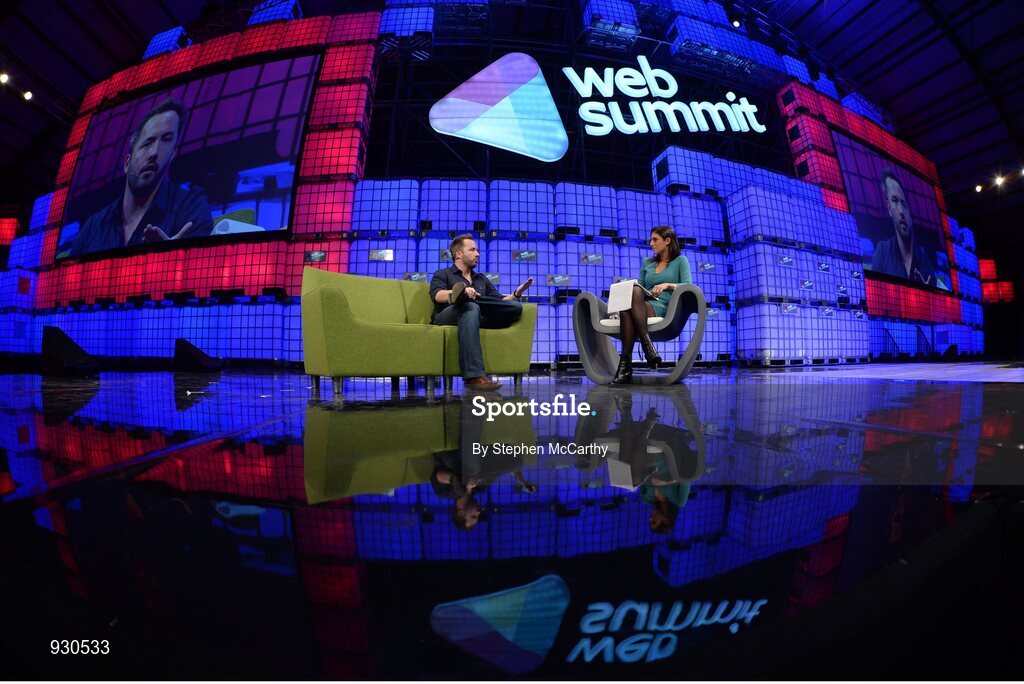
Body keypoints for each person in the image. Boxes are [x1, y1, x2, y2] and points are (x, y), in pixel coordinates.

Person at [69, 98, 213, 257]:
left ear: (172, 154)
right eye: (147, 143)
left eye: (166, 140)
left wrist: (171, 259)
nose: (154, 153)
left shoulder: (191, 206)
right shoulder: (93, 227)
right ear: (127, 163)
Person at [429, 234, 533, 391]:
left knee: (515, 308)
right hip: (446, 315)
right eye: (472, 250)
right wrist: (456, 294)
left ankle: (467, 298)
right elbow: (437, 295)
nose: (477, 254)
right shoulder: (443, 274)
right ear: (458, 254)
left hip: (476, 315)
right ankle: (474, 376)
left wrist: (516, 294)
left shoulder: (481, 279)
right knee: (470, 306)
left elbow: (499, 302)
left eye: (477, 250)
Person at [612, 226, 692, 384]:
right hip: (644, 304)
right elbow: (639, 288)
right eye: (651, 240)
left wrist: (668, 285)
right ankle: (647, 348)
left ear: (667, 241)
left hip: (664, 305)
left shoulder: (680, 261)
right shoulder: (647, 263)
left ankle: (625, 367)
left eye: (655, 239)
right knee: (632, 293)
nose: (651, 243)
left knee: (627, 310)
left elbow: (688, 285)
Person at [870, 169, 937, 285]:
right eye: (895, 201)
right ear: (889, 208)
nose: (901, 211)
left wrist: (927, 292)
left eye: (904, 204)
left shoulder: (925, 261)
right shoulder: (882, 252)